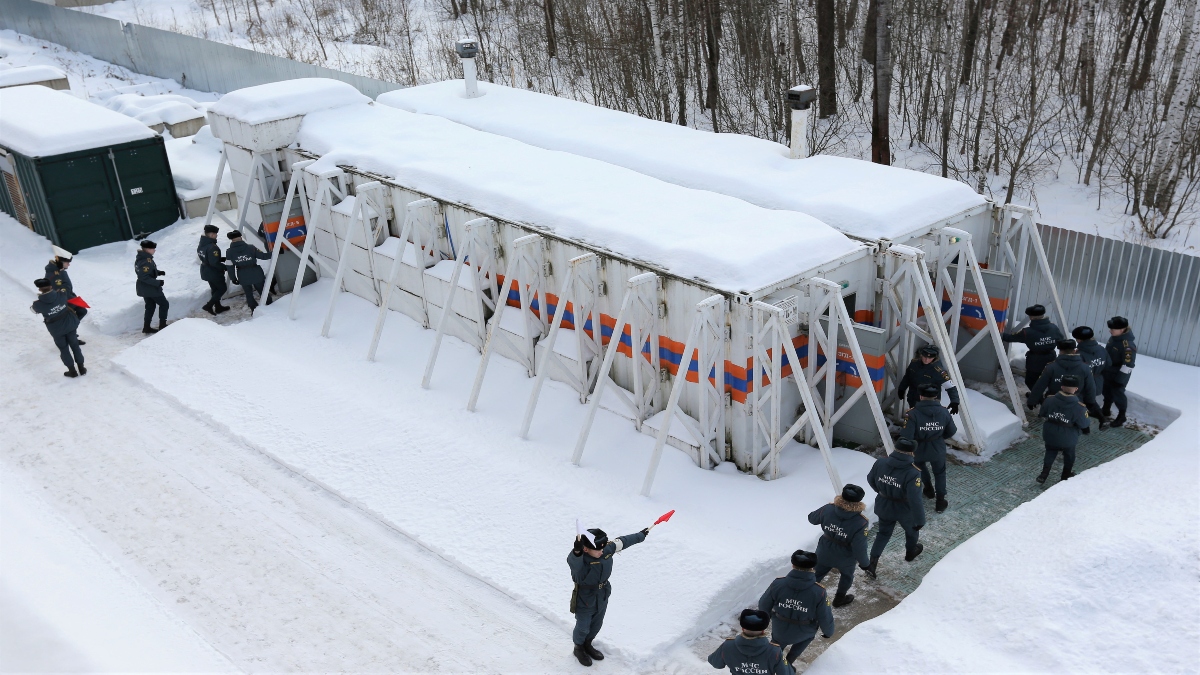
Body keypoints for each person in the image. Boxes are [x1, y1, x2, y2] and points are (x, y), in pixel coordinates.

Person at [568, 526, 649, 666]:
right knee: (583, 626)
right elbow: (573, 560)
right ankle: (579, 648)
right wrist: (576, 550)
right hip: (585, 598)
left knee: (596, 624)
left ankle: (588, 644)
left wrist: (641, 535)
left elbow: (623, 542)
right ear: (586, 549)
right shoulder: (579, 561)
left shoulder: (605, 550)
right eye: (598, 549)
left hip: (602, 594)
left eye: (602, 548)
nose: (601, 551)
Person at [757, 550, 834, 665]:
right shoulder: (819, 592)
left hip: (779, 629)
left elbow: (763, 604)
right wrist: (828, 632)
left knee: (776, 644)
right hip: (804, 632)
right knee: (803, 641)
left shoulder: (778, 584)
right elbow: (825, 616)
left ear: (793, 565)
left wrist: (768, 618)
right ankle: (788, 662)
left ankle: (772, 663)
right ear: (813, 567)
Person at [863, 437, 926, 578]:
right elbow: (915, 499)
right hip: (904, 509)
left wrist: (883, 492)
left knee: (883, 533)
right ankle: (910, 552)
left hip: (884, 505)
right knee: (911, 531)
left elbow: (870, 479)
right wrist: (920, 520)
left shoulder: (880, 463)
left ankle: (872, 563)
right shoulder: (913, 472)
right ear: (911, 453)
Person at [806, 485, 870, 608]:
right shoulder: (861, 522)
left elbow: (812, 519)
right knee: (847, 576)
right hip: (845, 556)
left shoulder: (828, 509)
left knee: (816, 574)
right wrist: (865, 564)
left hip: (824, 550)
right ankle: (839, 599)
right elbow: (859, 547)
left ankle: (807, 596)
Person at [902, 384, 957, 513]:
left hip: (919, 448)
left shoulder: (912, 414)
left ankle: (928, 488)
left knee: (920, 468)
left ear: (921, 396)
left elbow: (907, 436)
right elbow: (951, 431)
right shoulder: (943, 412)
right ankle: (940, 501)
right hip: (937, 447)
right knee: (940, 473)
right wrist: (938, 436)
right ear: (936, 397)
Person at [1027, 339, 1103, 422]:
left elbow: (1040, 386)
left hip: (1054, 401)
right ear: (1074, 350)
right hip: (1076, 401)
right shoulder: (1085, 368)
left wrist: (1032, 400)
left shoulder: (1051, 367)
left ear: (1060, 351)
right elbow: (1090, 387)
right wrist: (1090, 402)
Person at [1037, 374, 1091, 483]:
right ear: (1076, 389)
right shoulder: (1079, 407)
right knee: (1069, 456)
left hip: (1050, 433)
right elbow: (1084, 424)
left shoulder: (1049, 400)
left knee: (1050, 451)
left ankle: (1044, 474)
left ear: (1061, 387)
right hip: (1068, 437)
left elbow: (1042, 413)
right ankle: (1065, 476)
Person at [707, 609, 795, 675]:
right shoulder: (774, 651)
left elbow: (715, 663)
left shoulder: (728, 646)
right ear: (763, 631)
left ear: (742, 628)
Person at [30, 278, 85, 377]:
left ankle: (72, 371)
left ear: (39, 290)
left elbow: (34, 310)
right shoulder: (61, 295)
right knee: (75, 346)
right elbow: (66, 292)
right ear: (51, 286)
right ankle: (82, 368)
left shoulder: (38, 304)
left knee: (63, 349)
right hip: (70, 325)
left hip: (56, 330)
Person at [1002, 304, 1065, 388]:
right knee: (1049, 379)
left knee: (1031, 381)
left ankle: (1038, 398)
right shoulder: (1053, 328)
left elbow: (1010, 338)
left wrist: (996, 333)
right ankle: (1046, 397)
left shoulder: (1027, 332)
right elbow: (1062, 342)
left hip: (1035, 361)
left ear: (1031, 317)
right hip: (1051, 359)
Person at [895, 344, 960, 414]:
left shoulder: (938, 370)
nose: (926, 360)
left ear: (934, 358)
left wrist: (954, 402)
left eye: (930, 358)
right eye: (925, 357)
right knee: (914, 418)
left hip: (930, 402)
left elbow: (950, 387)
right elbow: (907, 377)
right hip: (913, 398)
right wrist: (902, 388)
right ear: (921, 355)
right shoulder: (914, 363)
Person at [225, 231, 272, 314]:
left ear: (232, 240)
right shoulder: (251, 248)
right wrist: (276, 252)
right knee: (263, 291)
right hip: (256, 273)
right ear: (241, 237)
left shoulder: (229, 252)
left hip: (242, 275)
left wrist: (233, 278)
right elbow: (264, 256)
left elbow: (230, 267)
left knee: (248, 294)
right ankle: (270, 306)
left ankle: (254, 310)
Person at [1102, 317, 1137, 428]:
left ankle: (1121, 416)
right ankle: (1106, 409)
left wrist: (1120, 380)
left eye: (1113, 329)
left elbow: (1128, 364)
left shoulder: (1128, 345)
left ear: (1122, 329)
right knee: (1106, 391)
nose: (1110, 330)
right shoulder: (1114, 338)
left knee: (1118, 393)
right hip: (1108, 371)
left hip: (1119, 373)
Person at [44, 246, 87, 331]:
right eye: (67, 262)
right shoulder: (55, 274)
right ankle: (71, 334)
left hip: (68, 298)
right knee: (77, 314)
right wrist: (72, 301)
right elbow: (60, 291)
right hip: (63, 302)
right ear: (61, 261)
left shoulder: (59, 272)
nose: (69, 264)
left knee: (81, 312)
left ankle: (72, 332)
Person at [135, 240, 169, 334]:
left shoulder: (142, 258)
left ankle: (146, 327)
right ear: (147, 249)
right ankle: (162, 325)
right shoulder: (146, 261)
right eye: (153, 248)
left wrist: (158, 272)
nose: (154, 250)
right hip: (150, 288)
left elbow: (147, 272)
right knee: (164, 304)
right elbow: (143, 276)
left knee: (150, 306)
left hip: (145, 288)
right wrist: (157, 283)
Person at [198, 225, 231, 315]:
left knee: (215, 289)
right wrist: (225, 267)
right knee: (222, 288)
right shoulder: (213, 247)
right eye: (216, 234)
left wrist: (221, 259)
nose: (216, 236)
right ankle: (209, 305)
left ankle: (218, 307)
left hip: (205, 270)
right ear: (212, 234)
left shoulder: (202, 244)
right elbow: (214, 263)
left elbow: (208, 258)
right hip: (213, 272)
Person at [1073, 326, 1109, 395]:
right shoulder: (1102, 349)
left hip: (1083, 387)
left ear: (1079, 340)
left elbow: (1075, 371)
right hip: (1098, 383)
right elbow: (1108, 365)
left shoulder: (1079, 354)